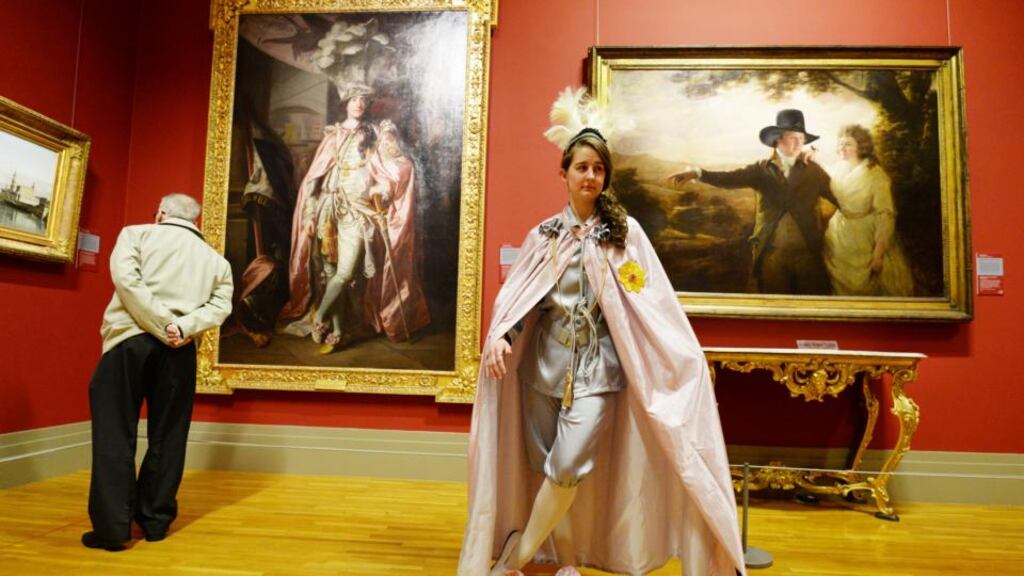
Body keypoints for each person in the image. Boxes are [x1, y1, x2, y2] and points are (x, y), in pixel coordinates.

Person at [459, 90, 745, 576]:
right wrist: (503, 335)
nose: (590, 176)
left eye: (598, 169)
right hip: (541, 373)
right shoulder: (543, 235)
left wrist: (682, 358)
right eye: (581, 167)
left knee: (567, 468)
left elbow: (652, 305)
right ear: (564, 173)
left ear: (606, 176)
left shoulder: (625, 234)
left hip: (597, 374)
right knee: (549, 472)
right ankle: (567, 564)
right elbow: (525, 298)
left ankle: (516, 558)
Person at [83, 193, 233, 551]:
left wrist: (160, 322)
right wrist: (179, 327)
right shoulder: (217, 262)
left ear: (161, 213)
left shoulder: (135, 235)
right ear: (196, 222)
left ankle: (112, 530)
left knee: (115, 434)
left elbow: (127, 282)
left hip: (127, 342)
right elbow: (220, 307)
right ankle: (155, 523)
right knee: (169, 436)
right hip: (178, 352)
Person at [279, 83, 429, 353]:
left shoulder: (375, 133)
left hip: (357, 213)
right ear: (345, 103)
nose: (359, 103)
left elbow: (395, 167)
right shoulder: (333, 135)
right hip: (327, 210)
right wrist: (310, 214)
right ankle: (337, 330)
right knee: (330, 273)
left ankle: (320, 317)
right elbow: (315, 180)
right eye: (354, 99)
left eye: (364, 100)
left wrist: (381, 188)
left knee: (346, 273)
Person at [670, 109, 839, 295]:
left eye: (802, 138)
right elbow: (730, 178)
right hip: (771, 254)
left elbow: (839, 196)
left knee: (812, 307)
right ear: (778, 140)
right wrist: (698, 173)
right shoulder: (761, 170)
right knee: (774, 308)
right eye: (793, 137)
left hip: (808, 254)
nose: (799, 143)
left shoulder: (814, 171)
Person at [819, 124, 914, 296]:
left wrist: (878, 254)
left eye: (848, 144)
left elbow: (885, 215)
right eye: (840, 144)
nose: (842, 148)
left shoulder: (876, 175)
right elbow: (825, 174)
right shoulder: (839, 168)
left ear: (861, 147)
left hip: (865, 237)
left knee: (867, 288)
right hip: (838, 234)